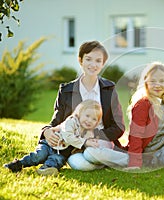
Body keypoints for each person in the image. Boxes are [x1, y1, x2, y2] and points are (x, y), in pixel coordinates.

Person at [41, 40, 125, 171]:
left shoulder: (109, 89)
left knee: (91, 153)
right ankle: (106, 161)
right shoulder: (66, 90)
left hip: (101, 141)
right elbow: (57, 121)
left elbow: (119, 127)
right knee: (80, 164)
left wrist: (93, 134)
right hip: (75, 146)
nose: (93, 64)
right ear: (80, 60)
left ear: (103, 64)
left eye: (98, 61)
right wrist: (46, 131)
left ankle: (130, 160)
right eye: (88, 59)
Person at [3, 100, 112, 175]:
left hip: (62, 153)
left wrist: (91, 145)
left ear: (97, 122)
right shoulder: (71, 121)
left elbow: (84, 145)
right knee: (39, 156)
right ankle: (18, 164)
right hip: (50, 145)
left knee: (56, 161)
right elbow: (69, 137)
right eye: (87, 116)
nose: (89, 120)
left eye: (94, 119)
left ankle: (45, 169)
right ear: (79, 114)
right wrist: (85, 143)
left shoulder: (89, 133)